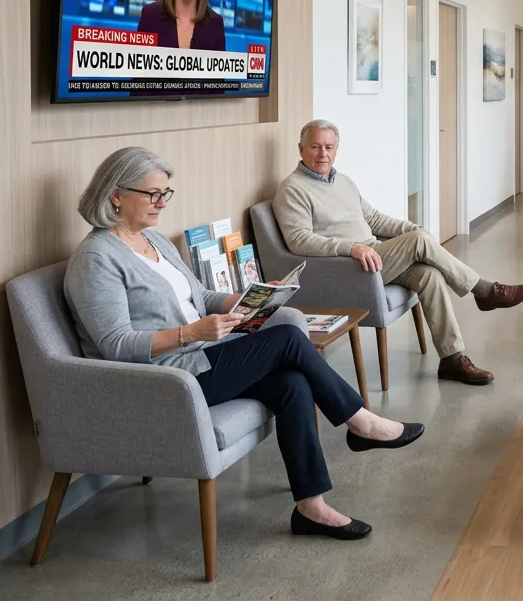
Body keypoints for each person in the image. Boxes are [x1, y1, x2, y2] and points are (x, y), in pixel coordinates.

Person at [64, 147, 423, 540]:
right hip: (168, 378)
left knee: (292, 383)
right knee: (287, 338)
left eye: (166, 194)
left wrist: (247, 299)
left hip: (200, 356)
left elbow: (199, 295)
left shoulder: (153, 240)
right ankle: (360, 421)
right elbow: (116, 344)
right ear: (116, 195)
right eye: (153, 194)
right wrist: (191, 333)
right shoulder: (97, 258)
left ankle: (311, 507)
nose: (161, 204)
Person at [272, 120, 523, 386]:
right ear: (301, 149)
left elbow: (373, 219)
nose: (322, 153)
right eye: (315, 146)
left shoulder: (343, 182)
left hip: (374, 257)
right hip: (347, 267)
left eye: (329, 146)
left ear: (337, 149)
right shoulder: (292, 188)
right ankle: (483, 290)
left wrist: (410, 227)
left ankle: (452, 359)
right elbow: (298, 241)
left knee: (429, 275)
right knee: (419, 241)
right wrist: (350, 247)